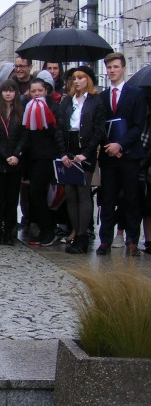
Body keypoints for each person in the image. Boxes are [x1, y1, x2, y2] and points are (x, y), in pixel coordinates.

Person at [96, 53, 146, 256]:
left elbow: (138, 125)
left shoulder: (136, 94)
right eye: (109, 68)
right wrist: (109, 146)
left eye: (115, 67)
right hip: (109, 157)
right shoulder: (101, 96)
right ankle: (105, 240)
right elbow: (99, 125)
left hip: (130, 156)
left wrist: (120, 146)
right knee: (107, 199)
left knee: (131, 199)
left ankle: (132, 240)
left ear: (123, 69)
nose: (112, 71)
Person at [57, 67, 107, 254]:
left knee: (83, 191)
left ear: (88, 80)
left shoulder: (95, 101)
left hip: (85, 150)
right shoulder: (67, 101)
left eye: (80, 78)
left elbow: (99, 129)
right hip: (69, 149)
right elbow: (60, 127)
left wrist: (86, 152)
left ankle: (83, 236)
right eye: (74, 78)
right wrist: (63, 152)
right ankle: (75, 231)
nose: (76, 81)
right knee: (70, 192)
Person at [21, 78, 63, 247]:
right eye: (33, 91)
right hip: (32, 157)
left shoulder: (53, 107)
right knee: (34, 195)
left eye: (40, 91)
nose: (37, 94)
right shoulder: (27, 107)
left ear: (46, 91)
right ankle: (43, 229)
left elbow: (57, 131)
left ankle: (49, 230)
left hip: (47, 157)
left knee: (39, 193)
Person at [0, 80, 24, 246]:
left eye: (11, 91)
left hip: (15, 163)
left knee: (12, 199)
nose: (8, 94)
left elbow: (24, 136)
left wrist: (15, 155)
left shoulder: (20, 112)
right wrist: (5, 156)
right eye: (5, 91)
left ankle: (9, 232)